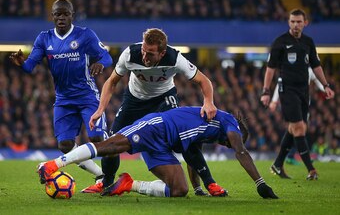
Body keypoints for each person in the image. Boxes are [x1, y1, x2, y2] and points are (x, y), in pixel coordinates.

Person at [82, 28, 218, 196]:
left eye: (151, 54)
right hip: (134, 101)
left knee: (182, 137)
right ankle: (107, 183)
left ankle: (208, 183)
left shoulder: (174, 58)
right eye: (144, 51)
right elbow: (111, 82)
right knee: (112, 142)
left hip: (163, 99)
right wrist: (100, 109)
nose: (145, 56)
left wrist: (209, 102)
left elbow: (203, 81)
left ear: (162, 53)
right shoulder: (130, 54)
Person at [38, 106, 278, 199]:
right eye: (231, 142)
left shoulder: (211, 130)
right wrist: (260, 183)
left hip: (163, 146)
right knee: (108, 146)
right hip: (155, 128)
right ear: (235, 131)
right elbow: (242, 151)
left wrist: (200, 187)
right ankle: (53, 165)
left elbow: (193, 153)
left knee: (179, 191)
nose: (229, 145)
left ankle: (129, 184)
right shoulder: (228, 124)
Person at [9, 0, 112, 185]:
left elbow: (107, 56)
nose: (61, 18)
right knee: (65, 145)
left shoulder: (85, 35)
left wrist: (100, 63)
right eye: (58, 14)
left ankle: (110, 147)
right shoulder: (44, 38)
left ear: (72, 15)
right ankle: (100, 175)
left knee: (96, 137)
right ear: (53, 16)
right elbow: (30, 65)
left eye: (65, 14)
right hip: (64, 99)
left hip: (87, 95)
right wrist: (22, 63)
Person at [261, 8, 335, 180]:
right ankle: (311, 169)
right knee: (300, 127)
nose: (295, 25)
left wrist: (325, 85)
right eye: (292, 21)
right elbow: (270, 69)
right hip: (287, 90)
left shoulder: (308, 42)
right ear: (289, 23)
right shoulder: (280, 42)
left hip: (304, 90)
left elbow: (316, 66)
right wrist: (266, 91)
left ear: (305, 23)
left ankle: (278, 164)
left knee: (294, 128)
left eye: (298, 22)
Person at [269, 67, 325, 165]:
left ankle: (285, 159)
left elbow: (317, 79)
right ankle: (301, 158)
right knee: (299, 129)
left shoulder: (308, 69)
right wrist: (274, 100)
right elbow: (280, 83)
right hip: (293, 103)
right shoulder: (290, 67)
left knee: (295, 130)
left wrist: (325, 88)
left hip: (305, 104)